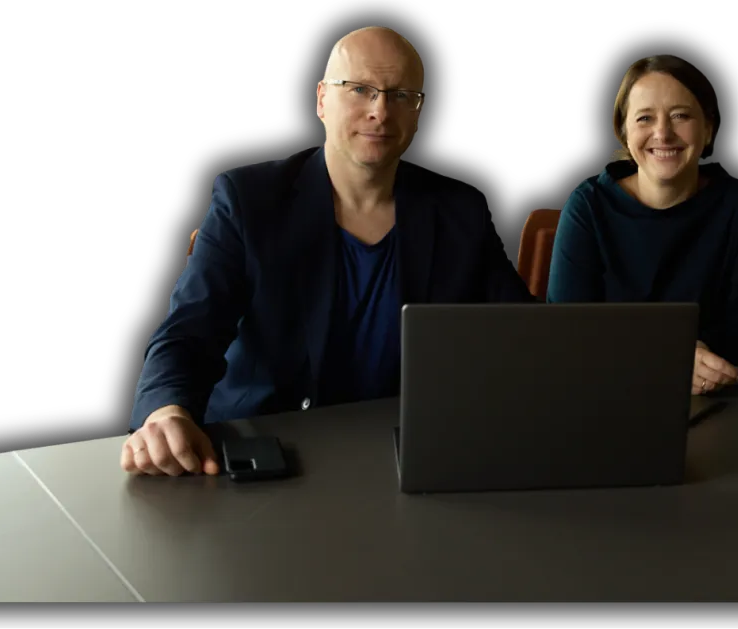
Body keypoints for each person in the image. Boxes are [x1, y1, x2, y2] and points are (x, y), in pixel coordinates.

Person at [122, 26, 534, 477]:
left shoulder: (461, 210)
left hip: (404, 459)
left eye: (401, 95)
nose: (380, 110)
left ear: (418, 112)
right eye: (359, 89)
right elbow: (187, 332)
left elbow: (522, 333)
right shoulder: (247, 199)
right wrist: (166, 413)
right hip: (268, 456)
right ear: (322, 100)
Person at [545, 55, 738, 396]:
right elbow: (567, 330)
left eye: (681, 116)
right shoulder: (588, 206)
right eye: (645, 118)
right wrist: (668, 356)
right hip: (604, 390)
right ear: (624, 131)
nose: (663, 133)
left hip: (706, 389)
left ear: (708, 128)